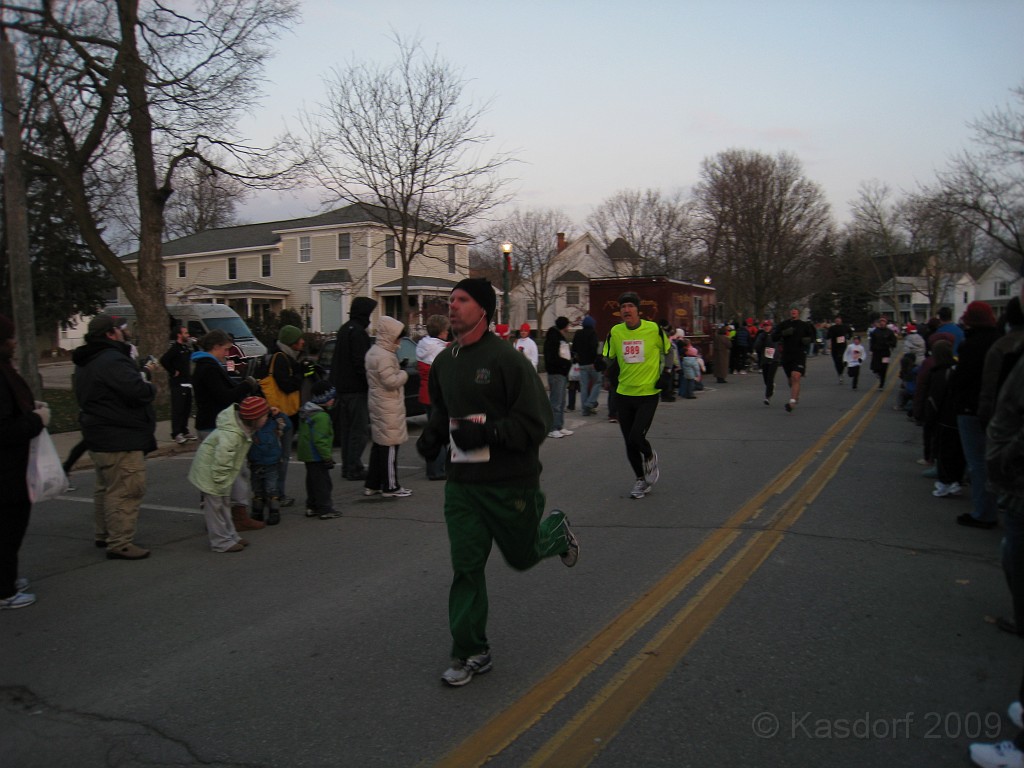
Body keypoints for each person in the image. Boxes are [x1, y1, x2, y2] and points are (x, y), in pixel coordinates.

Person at [414, 277, 579, 687]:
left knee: (522, 557)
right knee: (466, 567)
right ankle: (470, 650)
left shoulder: (507, 360)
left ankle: (555, 531)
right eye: (451, 300)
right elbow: (442, 410)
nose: (453, 306)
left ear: (483, 311)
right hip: (462, 485)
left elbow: (536, 423)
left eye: (462, 300)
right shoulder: (445, 362)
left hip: (510, 483)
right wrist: (433, 435)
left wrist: (486, 433)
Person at [72, 314, 158, 559]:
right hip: (119, 436)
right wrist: (149, 385)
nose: (124, 331)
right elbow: (137, 390)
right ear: (110, 334)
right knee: (126, 488)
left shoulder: (87, 360)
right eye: (119, 328)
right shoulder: (111, 359)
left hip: (99, 434)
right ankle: (120, 542)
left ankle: (105, 533)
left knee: (106, 487)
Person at [192, 329, 264, 531]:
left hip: (210, 424)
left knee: (220, 472)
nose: (227, 353)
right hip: (215, 425)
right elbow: (224, 396)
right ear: (215, 347)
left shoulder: (205, 366)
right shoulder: (208, 368)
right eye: (225, 349)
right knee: (232, 471)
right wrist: (247, 385)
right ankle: (234, 516)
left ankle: (222, 517)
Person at [0, 314, 50, 609]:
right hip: (7, 469)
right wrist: (36, 420)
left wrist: (30, 410)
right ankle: (5, 590)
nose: (15, 342)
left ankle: (8, 577)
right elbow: (5, 429)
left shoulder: (6, 370)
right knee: (8, 529)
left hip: (13, 466)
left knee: (11, 529)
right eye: (10, 338)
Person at [602, 291, 671, 499]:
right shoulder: (615, 332)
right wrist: (608, 370)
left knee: (636, 436)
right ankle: (640, 480)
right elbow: (608, 356)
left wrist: (666, 373)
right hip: (623, 394)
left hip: (648, 393)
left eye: (630, 306)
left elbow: (668, 351)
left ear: (638, 310)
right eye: (623, 307)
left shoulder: (653, 329)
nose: (626, 310)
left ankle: (649, 455)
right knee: (629, 442)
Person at [188, 397, 269, 553]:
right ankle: (220, 541)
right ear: (254, 419)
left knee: (224, 505)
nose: (266, 418)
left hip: (219, 473)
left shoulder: (242, 429)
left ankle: (231, 536)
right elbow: (222, 460)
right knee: (215, 508)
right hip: (211, 473)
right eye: (264, 416)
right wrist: (220, 482)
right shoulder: (231, 435)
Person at [949, 301, 1001, 529]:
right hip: (999, 409)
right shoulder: (1001, 341)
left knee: (978, 462)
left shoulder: (972, 345)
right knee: (992, 460)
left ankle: (984, 512)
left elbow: (962, 378)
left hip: (971, 407)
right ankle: (998, 503)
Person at [262, 324, 312, 507]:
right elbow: (287, 385)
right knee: (281, 457)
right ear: (292, 342)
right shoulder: (281, 358)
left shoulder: (283, 356)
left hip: (281, 413)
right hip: (281, 414)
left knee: (278, 457)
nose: (303, 341)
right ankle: (276, 494)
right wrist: (301, 374)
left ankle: (271, 493)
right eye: (300, 339)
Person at [364, 315, 412, 498]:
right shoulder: (385, 355)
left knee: (379, 445)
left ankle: (373, 483)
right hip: (388, 404)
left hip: (378, 402)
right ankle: (391, 486)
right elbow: (390, 381)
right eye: (398, 337)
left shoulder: (374, 352)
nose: (399, 341)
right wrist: (403, 374)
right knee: (390, 445)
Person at [331, 296, 377, 482]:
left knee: (347, 430)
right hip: (356, 389)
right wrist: (369, 382)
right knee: (358, 430)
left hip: (342, 389)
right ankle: (353, 467)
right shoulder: (358, 333)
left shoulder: (345, 330)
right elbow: (361, 363)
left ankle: (348, 465)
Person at [298, 381, 340, 519]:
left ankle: (312, 506)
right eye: (331, 397)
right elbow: (320, 440)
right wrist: (327, 457)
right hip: (316, 455)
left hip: (307, 454)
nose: (333, 400)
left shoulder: (307, 412)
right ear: (324, 399)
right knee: (323, 484)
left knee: (312, 482)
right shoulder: (322, 417)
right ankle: (325, 508)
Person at [417, 314, 451, 480]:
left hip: (425, 393)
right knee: (440, 433)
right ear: (441, 332)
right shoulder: (440, 350)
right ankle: (438, 469)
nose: (448, 332)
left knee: (432, 431)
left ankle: (433, 468)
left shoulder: (423, 345)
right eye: (446, 330)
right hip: (437, 395)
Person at [248, 406, 288, 526]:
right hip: (256, 463)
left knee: (271, 489)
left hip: (272, 463)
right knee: (257, 490)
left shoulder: (274, 424)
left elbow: (288, 425)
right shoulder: (251, 427)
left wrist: (279, 414)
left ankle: (274, 512)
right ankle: (257, 512)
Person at [160, 324, 197, 444]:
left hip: (187, 382)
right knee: (178, 408)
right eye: (185, 333)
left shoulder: (185, 348)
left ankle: (184, 430)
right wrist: (173, 371)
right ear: (179, 335)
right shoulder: (175, 349)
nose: (188, 335)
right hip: (178, 383)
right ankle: (176, 433)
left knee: (186, 408)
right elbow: (164, 360)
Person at [772, 307, 813, 412]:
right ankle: (796, 395)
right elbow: (774, 337)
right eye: (792, 310)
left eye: (795, 310)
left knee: (796, 376)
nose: (793, 311)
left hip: (799, 354)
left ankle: (792, 402)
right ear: (790, 312)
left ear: (798, 312)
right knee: (791, 380)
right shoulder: (784, 324)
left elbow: (813, 336)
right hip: (787, 355)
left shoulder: (804, 325)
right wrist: (783, 333)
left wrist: (807, 340)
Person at [543, 316, 574, 439]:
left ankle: (559, 426)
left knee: (561, 402)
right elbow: (552, 357)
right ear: (564, 326)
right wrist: (566, 363)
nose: (568, 327)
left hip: (562, 373)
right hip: (556, 373)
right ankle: (552, 428)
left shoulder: (559, 338)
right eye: (567, 325)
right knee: (556, 402)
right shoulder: (554, 338)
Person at [571, 315, 602, 416]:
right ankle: (590, 402)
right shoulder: (593, 333)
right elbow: (594, 347)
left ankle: (585, 411)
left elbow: (574, 348)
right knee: (598, 382)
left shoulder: (578, 333)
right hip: (591, 363)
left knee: (584, 386)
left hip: (581, 364)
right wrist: (595, 360)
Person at [869, 315, 898, 390]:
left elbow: (894, 342)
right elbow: (872, 342)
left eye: (883, 321)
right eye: (881, 321)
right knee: (876, 367)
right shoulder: (875, 331)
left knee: (884, 367)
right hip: (877, 352)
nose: (882, 323)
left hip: (885, 353)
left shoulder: (889, 332)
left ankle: (881, 384)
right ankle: (878, 373)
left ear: (886, 323)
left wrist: (889, 344)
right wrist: (871, 350)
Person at [827, 315, 853, 384]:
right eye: (836, 320)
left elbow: (850, 332)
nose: (837, 321)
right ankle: (840, 374)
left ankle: (841, 372)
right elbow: (828, 336)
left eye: (838, 320)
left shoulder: (845, 327)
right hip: (834, 347)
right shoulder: (832, 328)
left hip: (842, 346)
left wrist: (848, 337)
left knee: (841, 360)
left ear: (841, 320)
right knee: (836, 362)